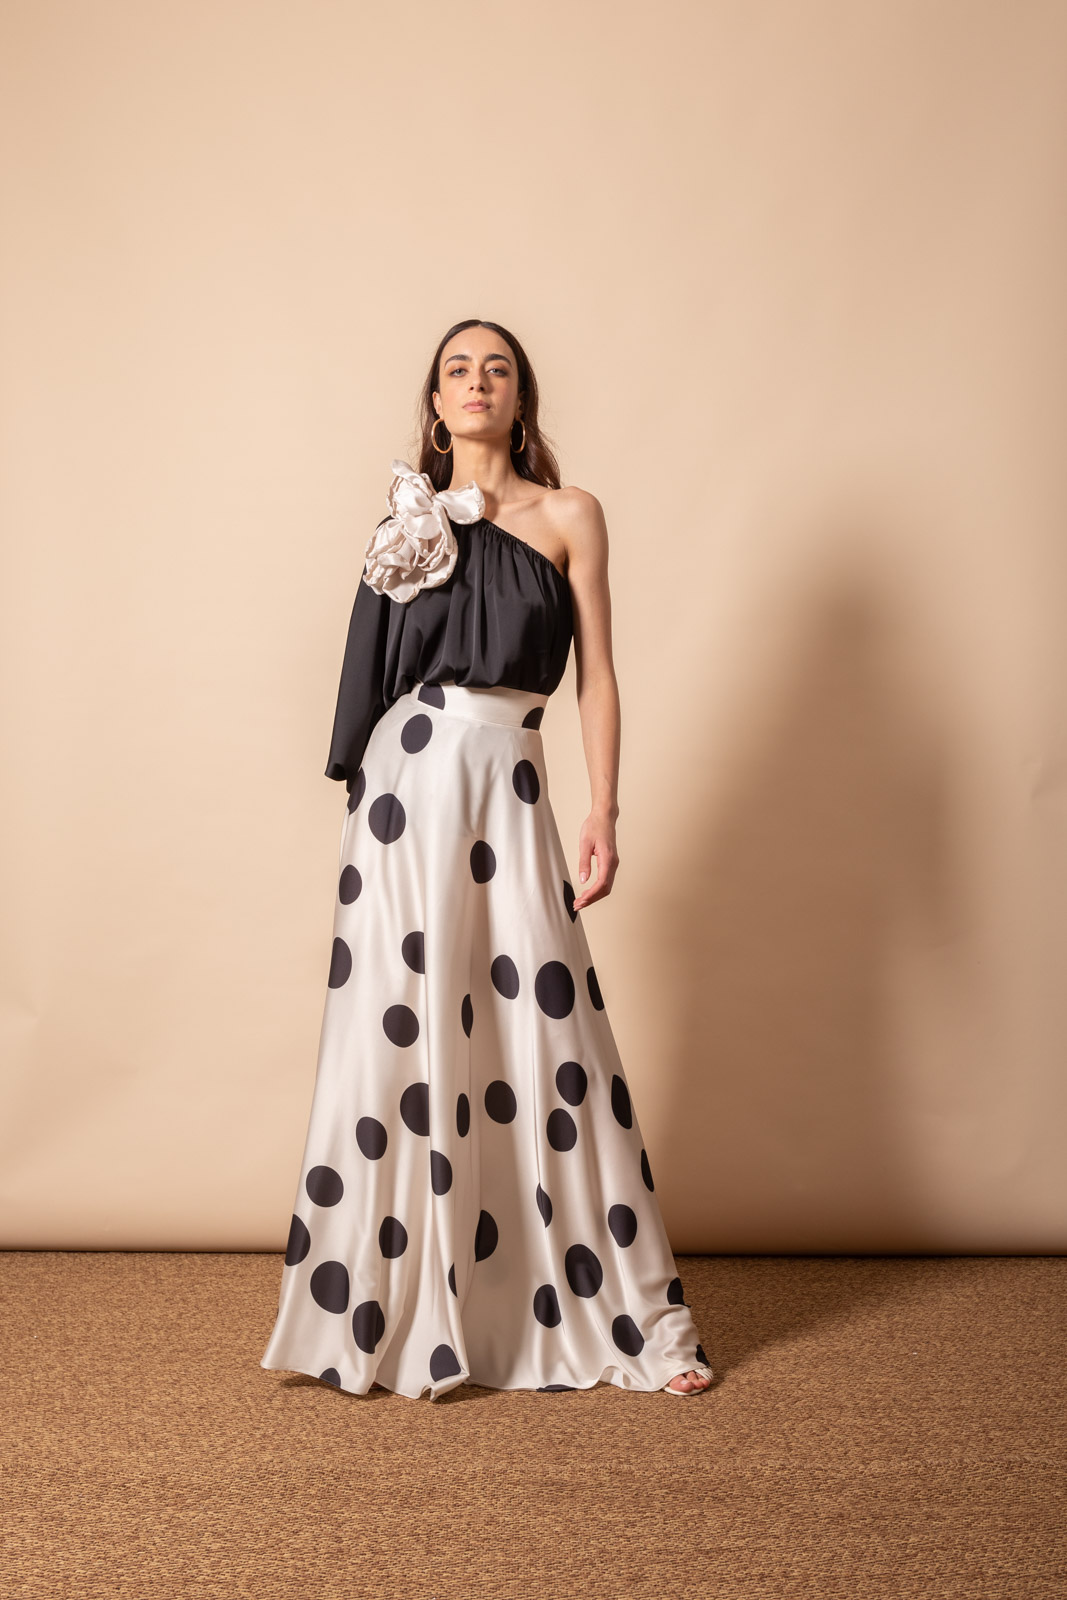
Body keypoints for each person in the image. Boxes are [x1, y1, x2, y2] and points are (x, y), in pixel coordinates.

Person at [260, 318, 714, 1400]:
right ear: (435, 403)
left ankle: (623, 1313)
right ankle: (388, 1308)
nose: (476, 382)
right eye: (457, 370)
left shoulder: (569, 514)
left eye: (495, 369)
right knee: (398, 1026)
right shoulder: (404, 526)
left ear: (520, 399)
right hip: (404, 790)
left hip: (508, 780)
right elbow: (367, 677)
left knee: (543, 1021)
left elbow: (596, 675)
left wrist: (603, 808)